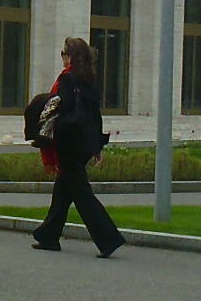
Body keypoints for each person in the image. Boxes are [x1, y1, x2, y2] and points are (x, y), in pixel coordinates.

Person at [32, 37, 126, 258]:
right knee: (64, 190)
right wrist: (96, 147)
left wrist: (47, 145)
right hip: (83, 143)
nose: (63, 58)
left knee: (81, 193)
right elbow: (94, 116)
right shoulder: (88, 79)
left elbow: (55, 112)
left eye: (64, 53)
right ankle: (49, 235)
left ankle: (108, 239)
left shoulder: (66, 80)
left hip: (68, 143)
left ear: (71, 57)